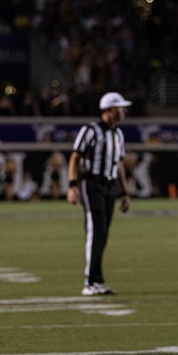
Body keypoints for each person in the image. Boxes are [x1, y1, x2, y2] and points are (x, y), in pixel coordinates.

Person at [66, 91, 133, 296]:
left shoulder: (118, 134)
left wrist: (124, 192)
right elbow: (75, 157)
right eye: (120, 107)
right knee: (95, 231)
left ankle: (96, 280)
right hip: (91, 183)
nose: (124, 111)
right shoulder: (91, 130)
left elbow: (119, 165)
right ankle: (90, 281)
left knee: (102, 233)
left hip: (109, 186)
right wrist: (72, 184)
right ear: (108, 110)